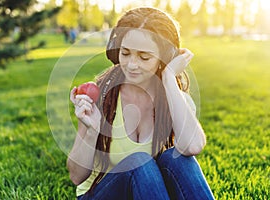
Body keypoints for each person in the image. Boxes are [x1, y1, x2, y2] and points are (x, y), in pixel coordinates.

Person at [67, 7, 215, 200]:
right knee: (139, 161)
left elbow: (192, 147)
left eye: (144, 57)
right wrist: (93, 130)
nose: (132, 64)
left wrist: (169, 78)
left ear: (165, 58)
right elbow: (76, 177)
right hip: (100, 195)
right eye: (125, 53)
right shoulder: (100, 96)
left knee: (176, 160)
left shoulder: (173, 97)